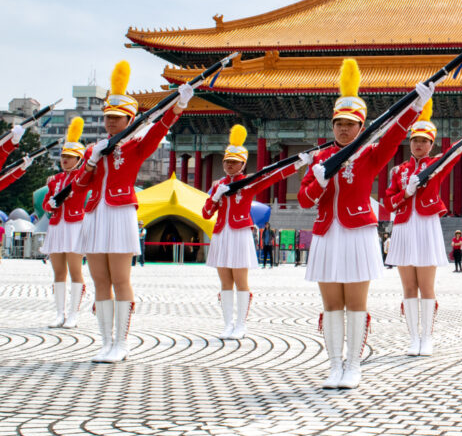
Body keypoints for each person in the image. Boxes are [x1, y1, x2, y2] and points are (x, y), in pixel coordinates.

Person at [298, 59, 429, 387]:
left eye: (351, 124)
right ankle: (333, 366)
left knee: (355, 303)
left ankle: (353, 364)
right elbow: (303, 200)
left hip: (357, 232)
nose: (344, 129)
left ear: (361, 126)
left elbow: (396, 131)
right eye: (339, 123)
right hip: (327, 233)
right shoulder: (319, 158)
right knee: (331, 304)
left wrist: (417, 105)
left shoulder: (370, 154)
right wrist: (318, 181)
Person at [71, 62, 193, 362]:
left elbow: (160, 128)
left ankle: (121, 343)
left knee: (121, 279)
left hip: (120, 213)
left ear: (129, 119)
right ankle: (105, 341)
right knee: (100, 279)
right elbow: (78, 187)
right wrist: (90, 162)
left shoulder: (136, 145)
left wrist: (178, 105)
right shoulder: (93, 149)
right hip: (95, 215)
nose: (111, 123)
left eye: (117, 118)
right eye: (107, 118)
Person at [382, 104, 462, 355]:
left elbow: (457, 150)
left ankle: (427, 337)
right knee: (409, 287)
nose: (419, 145)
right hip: (402, 227)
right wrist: (406, 191)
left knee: (426, 286)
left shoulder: (436, 165)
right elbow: (388, 201)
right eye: (415, 140)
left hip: (426, 226)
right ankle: (413, 338)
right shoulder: (398, 171)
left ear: (431, 144)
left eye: (424, 141)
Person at [203, 126, 304, 340]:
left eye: (234, 162)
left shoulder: (248, 183)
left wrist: (297, 164)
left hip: (239, 233)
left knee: (241, 280)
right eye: (226, 162)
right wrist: (214, 196)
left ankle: (241, 324)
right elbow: (205, 213)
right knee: (224, 282)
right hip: (222, 234)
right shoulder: (218, 184)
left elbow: (273, 176)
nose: (229, 165)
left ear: (242, 164)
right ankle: (228, 324)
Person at [40, 117, 88, 328]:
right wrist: (51, 203)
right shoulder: (56, 179)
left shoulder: (81, 177)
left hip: (75, 225)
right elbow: (45, 205)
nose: (65, 160)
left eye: (69, 157)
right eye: (63, 156)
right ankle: (59, 313)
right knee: (58, 271)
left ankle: (74, 313)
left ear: (78, 159)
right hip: (57, 226)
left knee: (76, 270)